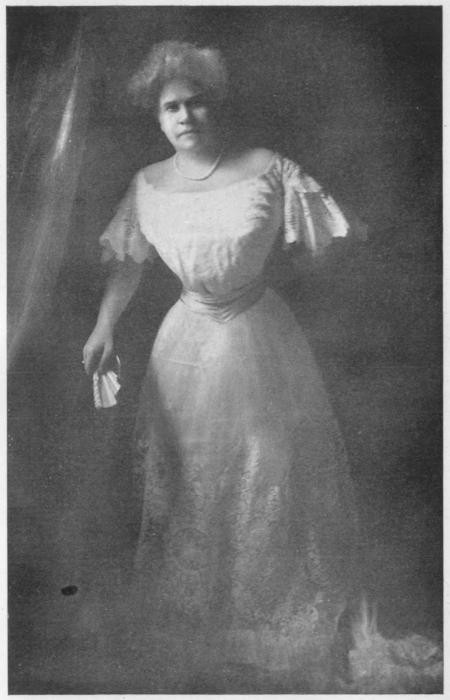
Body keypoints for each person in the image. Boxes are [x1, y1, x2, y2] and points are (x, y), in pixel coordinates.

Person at [83, 41, 365, 692]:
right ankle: (195, 624)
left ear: (217, 105)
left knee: (265, 473)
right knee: (188, 476)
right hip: (183, 341)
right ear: (157, 117)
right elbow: (129, 262)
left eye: (196, 102)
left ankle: (263, 621)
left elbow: (333, 239)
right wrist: (103, 325)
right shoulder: (147, 184)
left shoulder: (268, 168)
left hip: (259, 336)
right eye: (171, 108)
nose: (185, 116)